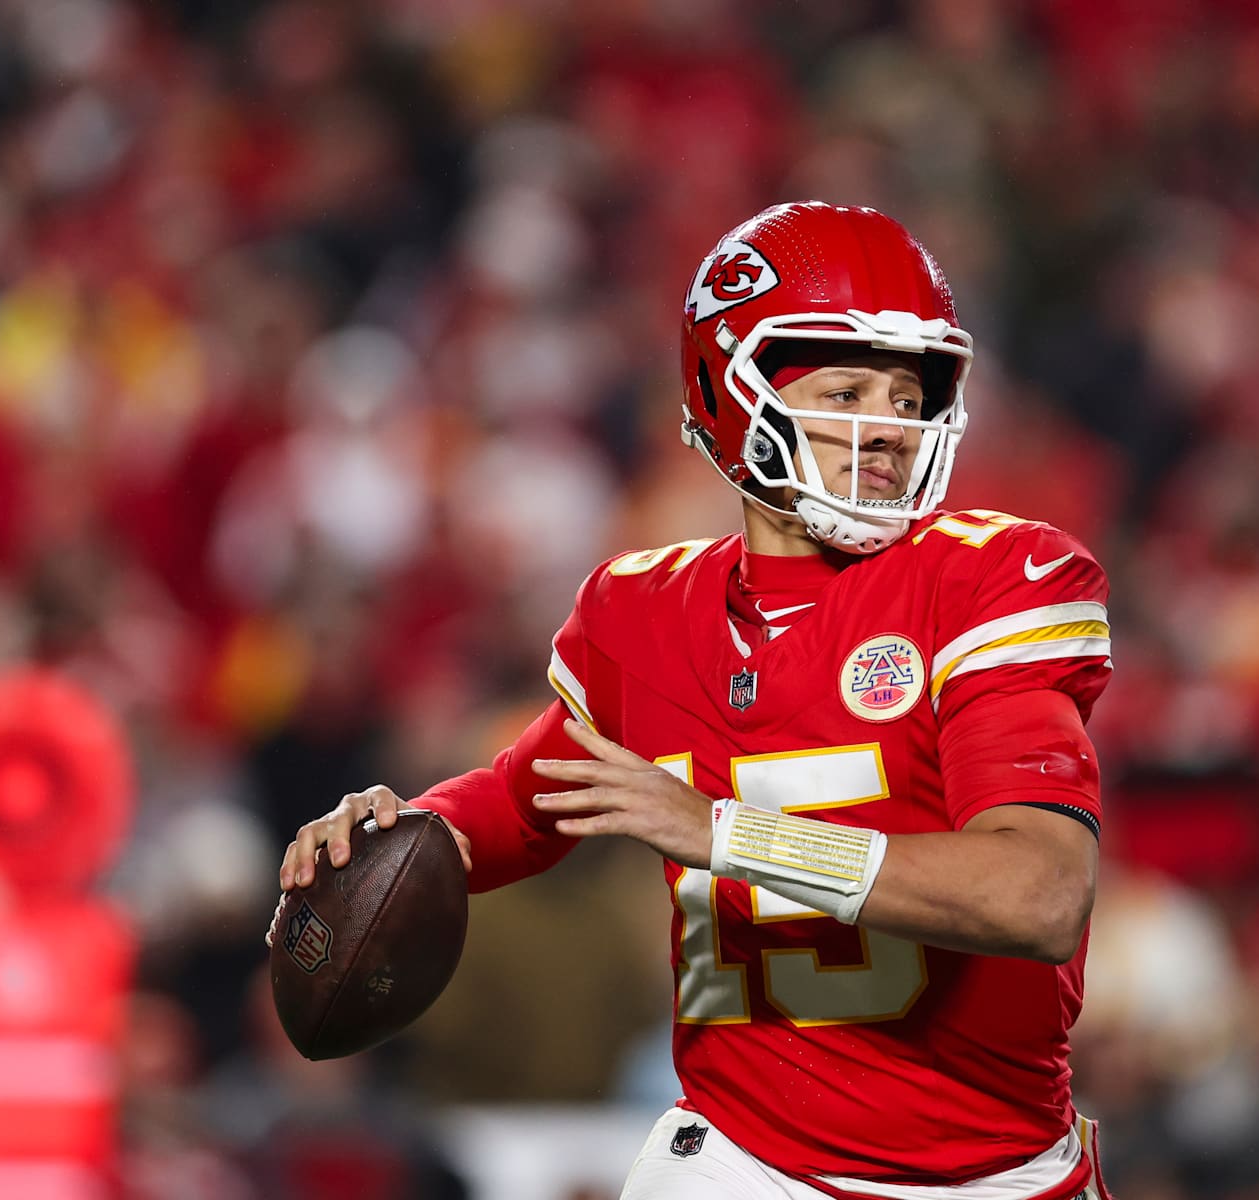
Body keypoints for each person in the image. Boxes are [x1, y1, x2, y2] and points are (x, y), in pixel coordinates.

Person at [278, 202, 1114, 1200]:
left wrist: (727, 832)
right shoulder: (644, 610)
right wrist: (411, 830)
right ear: (732, 395)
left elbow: (1040, 896)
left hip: (990, 1175)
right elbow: (527, 800)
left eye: (907, 393)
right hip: (739, 1162)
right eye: (848, 389)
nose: (888, 428)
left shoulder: (992, 580)